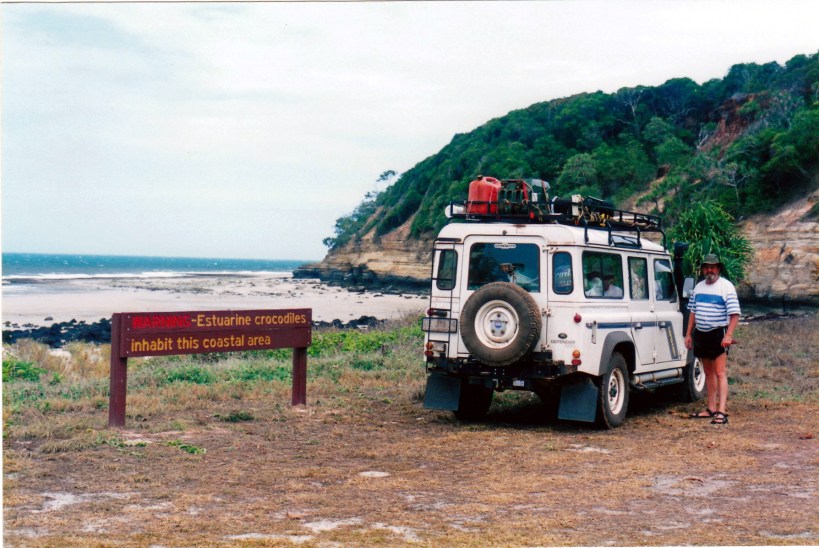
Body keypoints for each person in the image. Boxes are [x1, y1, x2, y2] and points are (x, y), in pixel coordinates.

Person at [684, 254, 740, 425]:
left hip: (718, 333)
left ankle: (721, 412)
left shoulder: (726, 287)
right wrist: (688, 334)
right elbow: (693, 312)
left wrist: (728, 335)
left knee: (720, 372)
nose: (710, 270)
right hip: (701, 333)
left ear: (718, 269)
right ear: (703, 269)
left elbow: (734, 314)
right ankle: (711, 408)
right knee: (708, 373)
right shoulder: (698, 288)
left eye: (713, 267)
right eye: (707, 267)